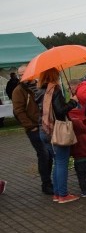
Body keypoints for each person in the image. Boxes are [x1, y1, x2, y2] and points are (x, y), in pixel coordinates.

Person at [12, 64, 54, 195]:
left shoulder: (39, 85)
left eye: (24, 73)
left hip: (46, 125)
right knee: (44, 154)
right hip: (34, 128)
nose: (22, 76)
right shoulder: (18, 91)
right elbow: (18, 111)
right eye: (20, 74)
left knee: (49, 155)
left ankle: (48, 182)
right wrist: (31, 126)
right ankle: (46, 184)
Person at [40, 67, 79, 203]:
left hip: (43, 130)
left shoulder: (39, 90)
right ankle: (63, 194)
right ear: (54, 74)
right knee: (61, 162)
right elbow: (61, 110)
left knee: (57, 162)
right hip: (56, 131)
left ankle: (57, 193)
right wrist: (73, 101)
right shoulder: (54, 90)